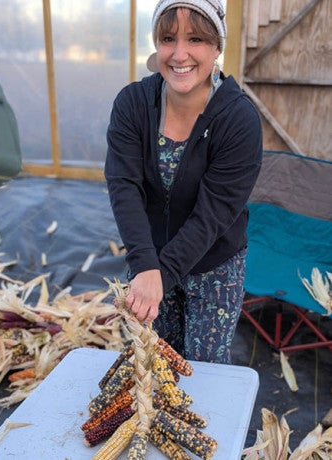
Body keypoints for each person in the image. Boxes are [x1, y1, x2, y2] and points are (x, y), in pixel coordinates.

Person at [105, 0, 263, 363]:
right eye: (167, 38)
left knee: (203, 375)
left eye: (195, 39)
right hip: (148, 259)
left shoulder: (238, 120)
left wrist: (163, 272)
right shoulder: (132, 103)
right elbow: (123, 186)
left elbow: (215, 212)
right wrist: (146, 266)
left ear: (216, 47)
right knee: (153, 369)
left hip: (214, 265)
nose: (179, 54)